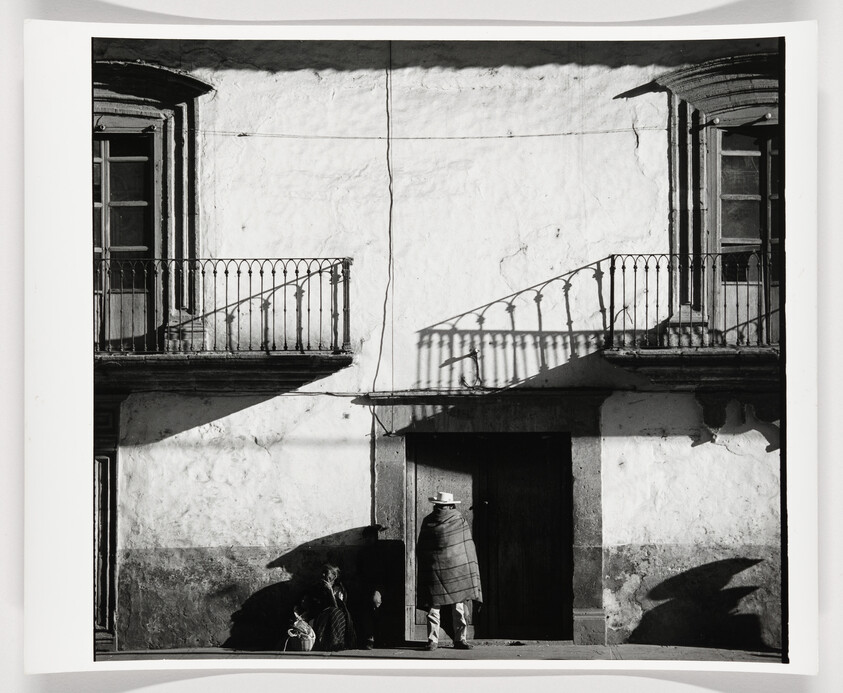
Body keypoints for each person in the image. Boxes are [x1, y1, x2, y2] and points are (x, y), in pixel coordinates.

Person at [416, 490, 482, 650]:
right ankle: (460, 640)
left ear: (436, 505)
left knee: (434, 607)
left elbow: (422, 548)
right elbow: (467, 547)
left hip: (434, 570)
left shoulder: (428, 521)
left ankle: (433, 641)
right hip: (456, 571)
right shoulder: (459, 519)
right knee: (457, 606)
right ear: (451, 505)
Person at [296, 563, 357, 651]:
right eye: (322, 572)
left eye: (326, 572)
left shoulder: (338, 589)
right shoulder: (318, 588)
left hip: (338, 619)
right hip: (321, 618)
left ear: (334, 576)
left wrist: (330, 592)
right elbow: (312, 605)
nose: (323, 575)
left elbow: (337, 608)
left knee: (333, 612)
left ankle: (336, 644)